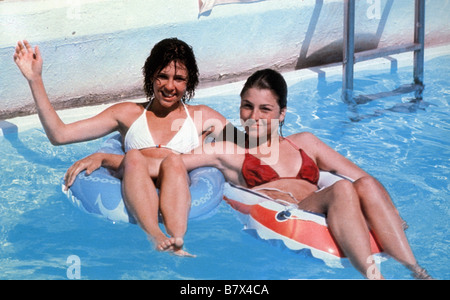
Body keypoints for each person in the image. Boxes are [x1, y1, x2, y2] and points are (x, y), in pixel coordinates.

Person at [65, 69, 431, 279]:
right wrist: (107, 157)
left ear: (282, 113)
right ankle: (373, 276)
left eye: (265, 109)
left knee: (360, 185)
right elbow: (164, 165)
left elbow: (359, 176)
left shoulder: (307, 142)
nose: (254, 117)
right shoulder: (228, 148)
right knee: (343, 193)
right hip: (297, 208)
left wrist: (391, 215)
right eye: (247, 107)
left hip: (323, 202)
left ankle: (414, 268)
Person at [14, 38, 230, 256]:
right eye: (162, 76)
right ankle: (155, 236)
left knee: (173, 162)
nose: (170, 86)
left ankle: (177, 241)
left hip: (177, 180)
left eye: (179, 79)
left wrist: (106, 158)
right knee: (135, 156)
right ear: (150, 75)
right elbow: (59, 135)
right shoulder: (128, 114)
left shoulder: (202, 117)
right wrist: (35, 79)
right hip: (135, 177)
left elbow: (248, 148)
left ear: (189, 81)